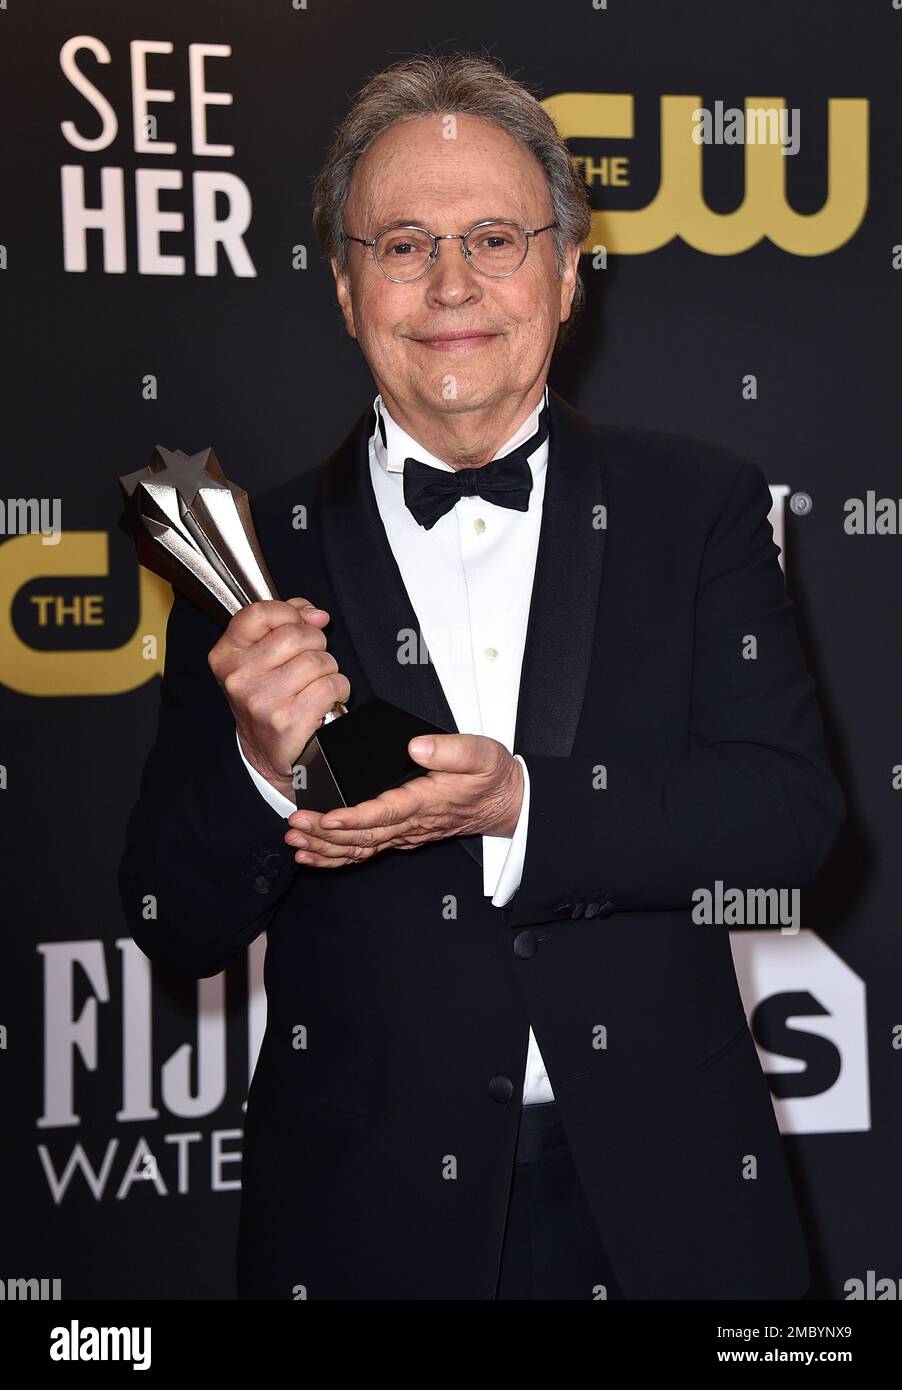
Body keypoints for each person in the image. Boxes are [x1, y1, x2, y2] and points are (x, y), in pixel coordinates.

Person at [120, 52, 845, 1300]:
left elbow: (787, 822)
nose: (450, 283)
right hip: (362, 1222)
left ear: (567, 274)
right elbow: (168, 923)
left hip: (667, 1202)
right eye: (400, 245)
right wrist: (254, 762)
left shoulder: (700, 507)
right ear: (345, 289)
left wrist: (522, 808)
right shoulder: (249, 558)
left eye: (495, 238)